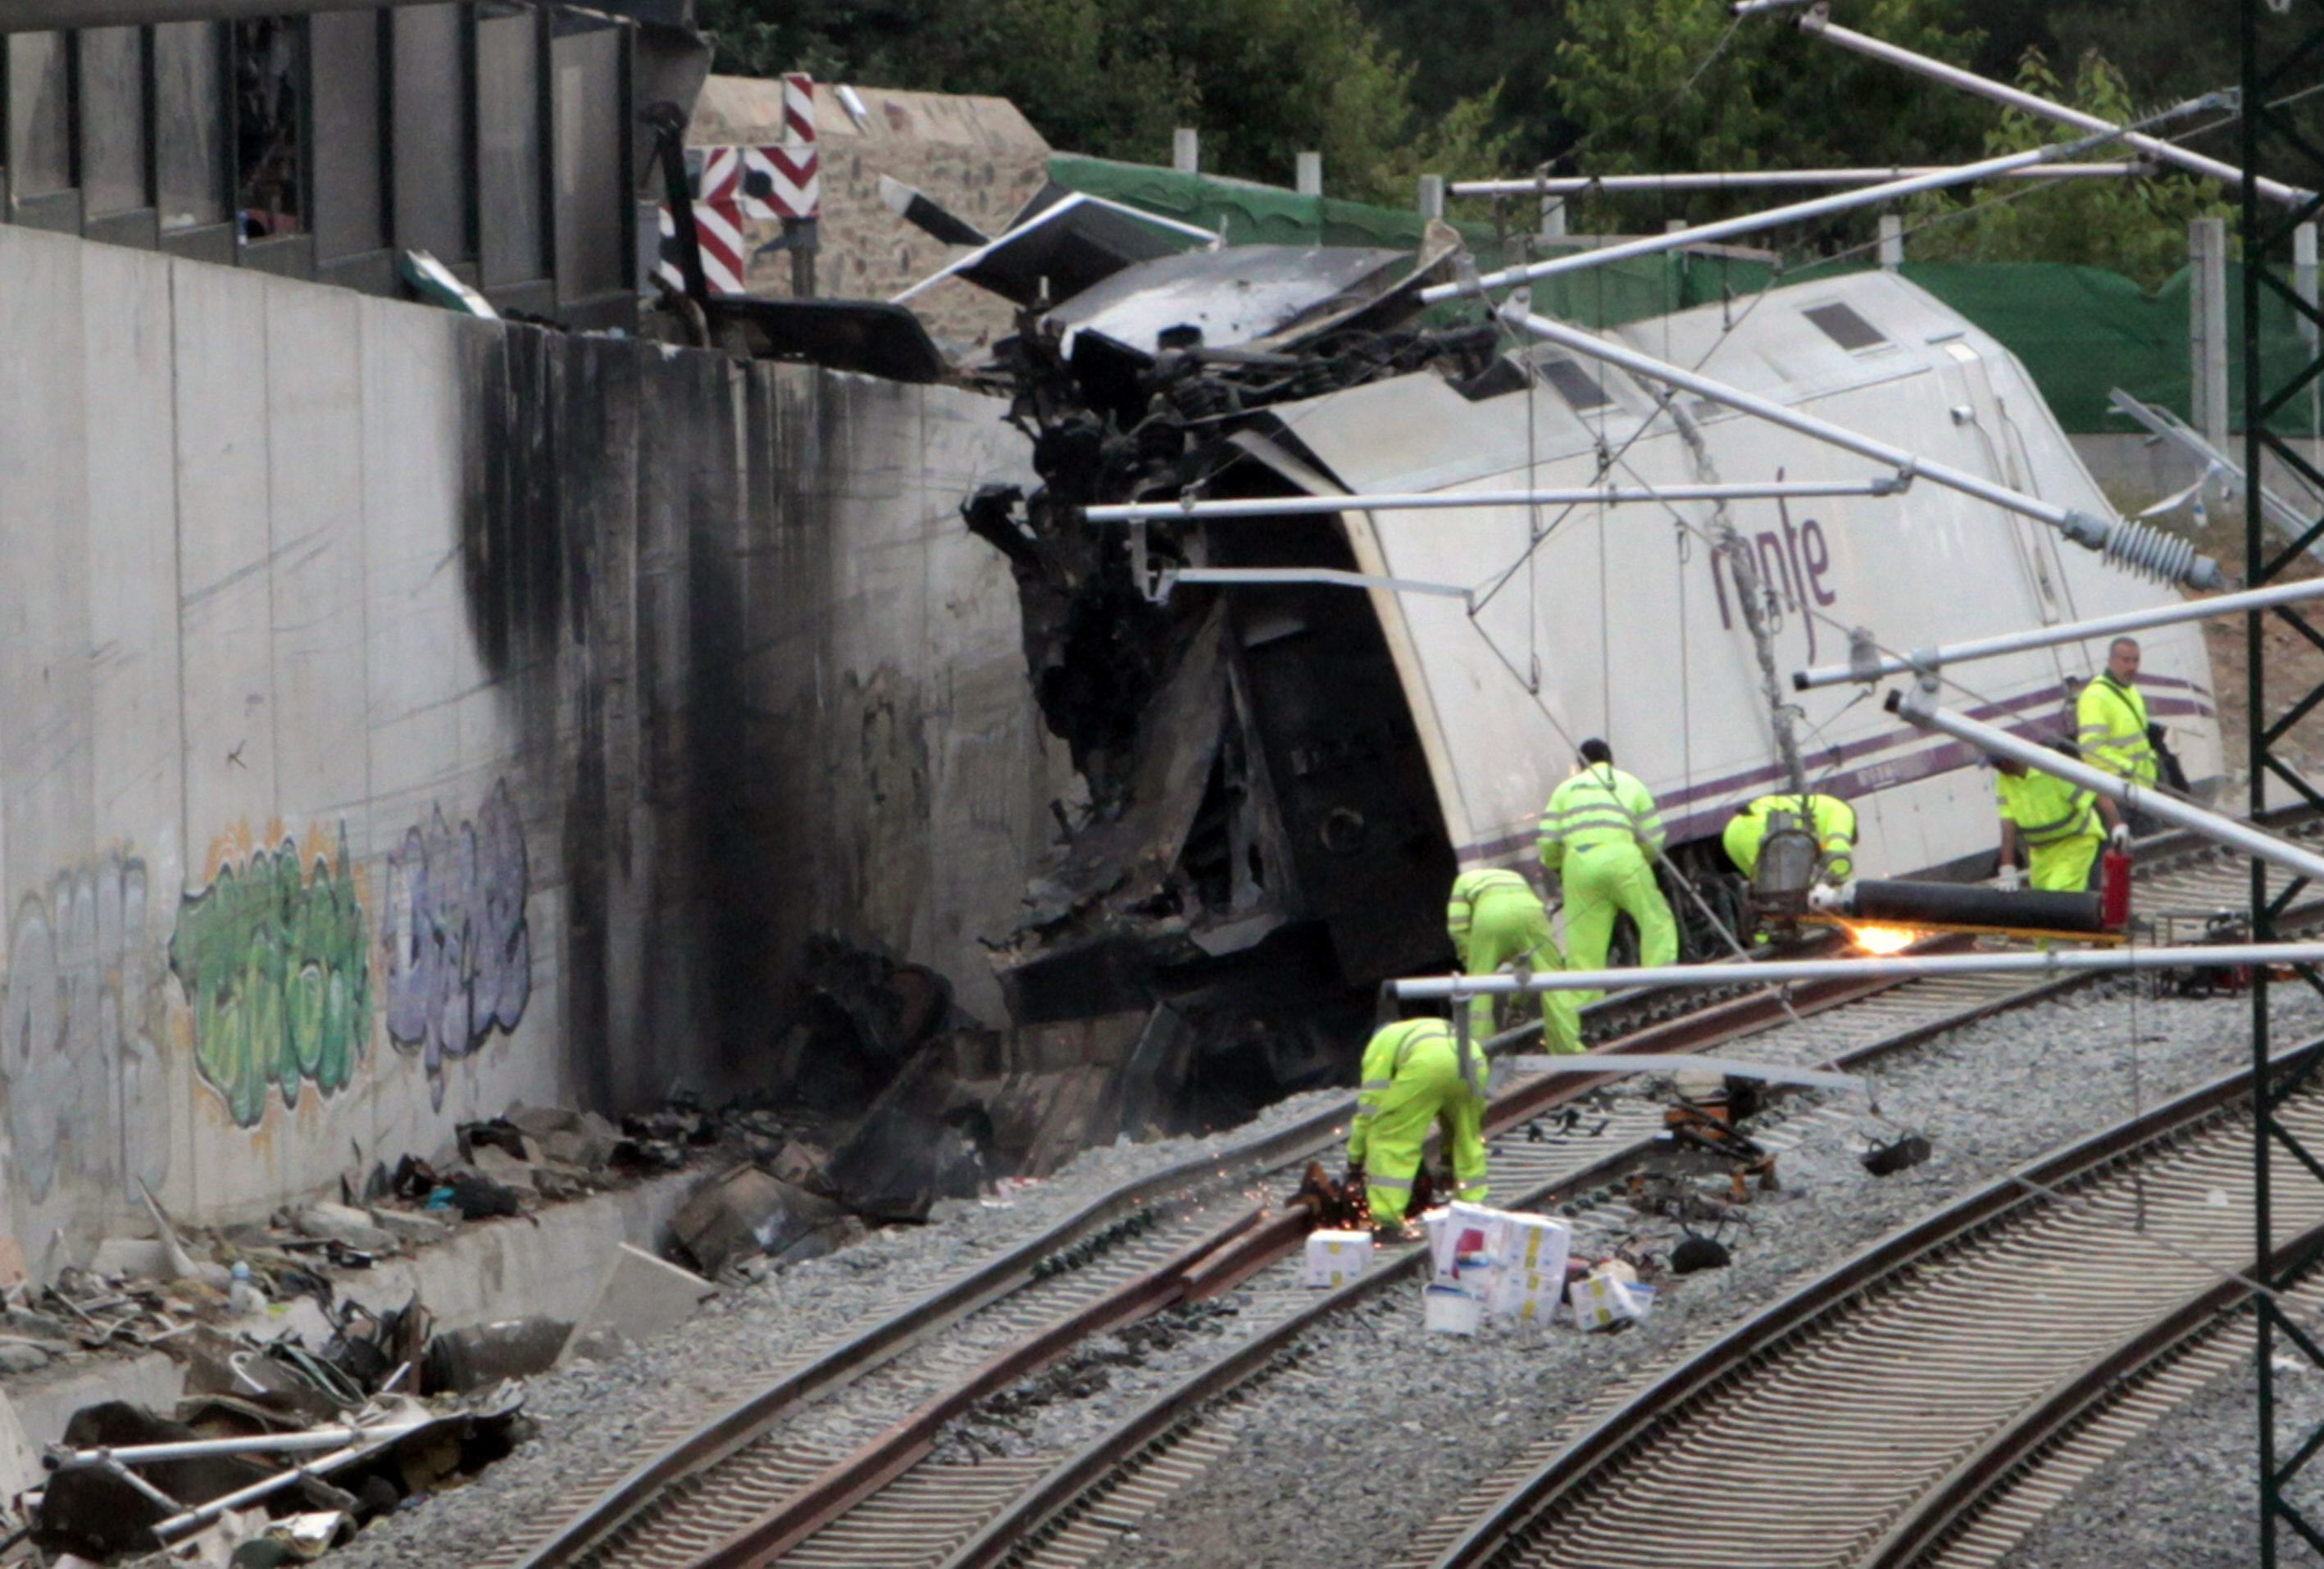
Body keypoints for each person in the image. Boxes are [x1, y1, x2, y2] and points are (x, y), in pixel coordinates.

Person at [1538, 739, 1678, 1002]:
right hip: (1624, 860)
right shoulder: (1630, 783)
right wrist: (1643, 861)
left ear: (1580, 765)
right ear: (1611, 759)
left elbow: (1548, 841)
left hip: (1579, 865)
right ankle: (1660, 982)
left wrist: (1559, 865)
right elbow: (1654, 837)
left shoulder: (1563, 791)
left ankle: (1587, 1004)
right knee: (1654, 918)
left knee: (1584, 943)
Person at [1345, 1017, 1487, 1232]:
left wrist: (1354, 1163)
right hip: (1473, 1057)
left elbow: (1370, 1109)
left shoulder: (1380, 1046)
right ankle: (1472, 1205)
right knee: (1466, 1132)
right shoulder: (1415, 1029)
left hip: (1429, 1063)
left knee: (1390, 1136)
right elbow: (1451, 1125)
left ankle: (1387, 1218)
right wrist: (1447, 1161)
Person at [1446, 867, 1581, 1055]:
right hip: (1530, 913)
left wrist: (1471, 958)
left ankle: (1482, 1054)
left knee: (1479, 989)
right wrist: (1516, 1003)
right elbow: (1523, 965)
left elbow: (1457, 926)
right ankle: (1569, 1046)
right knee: (1553, 980)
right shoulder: (1514, 876)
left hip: (1489, 916)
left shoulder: (1462, 881)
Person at [1994, 749, 2131, 893]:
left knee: (2060, 893)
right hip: (2042, 851)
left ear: (2008, 761)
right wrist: (2007, 868)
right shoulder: (2005, 781)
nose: (1996, 768)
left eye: (1996, 764)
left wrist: (2117, 825)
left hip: (2076, 841)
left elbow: (2094, 791)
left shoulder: (2051, 768)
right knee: (2044, 900)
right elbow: (2007, 825)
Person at [2076, 638, 2159, 832]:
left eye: (2136, 660)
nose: (2132, 666)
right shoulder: (2095, 697)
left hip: (2142, 789)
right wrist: (2126, 768)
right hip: (2118, 792)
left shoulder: (2131, 691)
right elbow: (2090, 750)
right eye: (2126, 660)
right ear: (2111, 661)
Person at [1721, 792, 1858, 885]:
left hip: (1733, 831)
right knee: (1787, 892)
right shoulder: (1843, 812)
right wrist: (1844, 890)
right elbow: (1839, 853)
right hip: (1763, 826)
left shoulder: (1823, 808)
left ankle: (1763, 928)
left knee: (1767, 897)